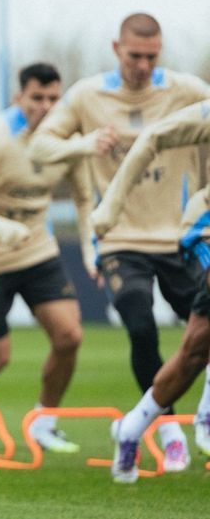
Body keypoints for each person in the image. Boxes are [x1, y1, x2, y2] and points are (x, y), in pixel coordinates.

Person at [27, 13, 210, 470]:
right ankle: (167, 429)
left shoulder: (186, 91)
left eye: (152, 56)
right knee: (140, 322)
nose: (144, 65)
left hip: (177, 237)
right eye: (135, 56)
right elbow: (40, 146)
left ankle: (185, 417)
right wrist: (84, 145)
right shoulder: (89, 95)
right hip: (119, 238)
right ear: (116, 49)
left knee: (200, 338)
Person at [0, 63, 95, 452]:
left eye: (53, 98)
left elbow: (84, 197)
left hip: (38, 250)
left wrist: (92, 248)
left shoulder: (66, 142)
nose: (45, 106)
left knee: (70, 335)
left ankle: (45, 421)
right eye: (37, 98)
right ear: (18, 98)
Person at [92, 100, 210, 480]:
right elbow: (154, 136)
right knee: (193, 349)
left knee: (195, 350)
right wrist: (110, 205)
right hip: (204, 227)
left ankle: (130, 428)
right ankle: (205, 418)